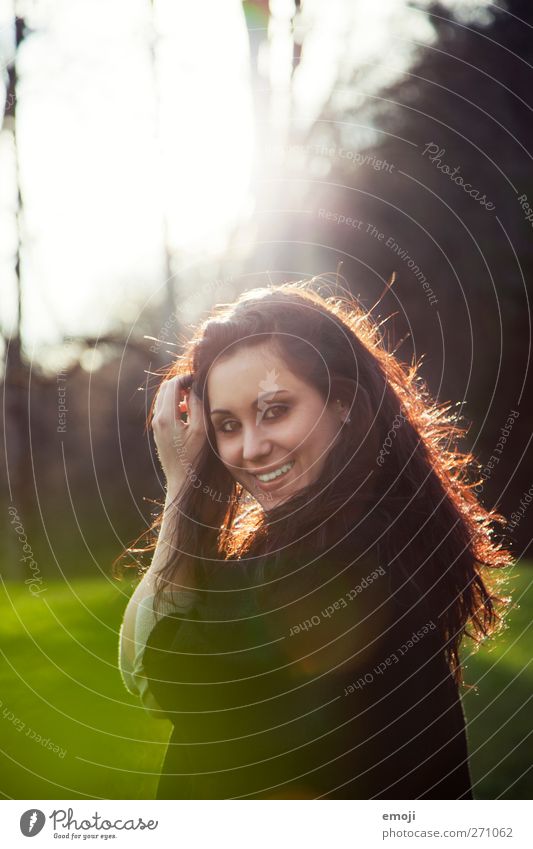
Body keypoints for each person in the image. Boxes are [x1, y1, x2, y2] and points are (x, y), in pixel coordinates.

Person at [117, 278, 511, 799]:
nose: (251, 448)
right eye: (227, 425)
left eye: (275, 410)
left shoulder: (329, 561)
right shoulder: (381, 521)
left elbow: (149, 671)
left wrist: (182, 488)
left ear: (342, 403)